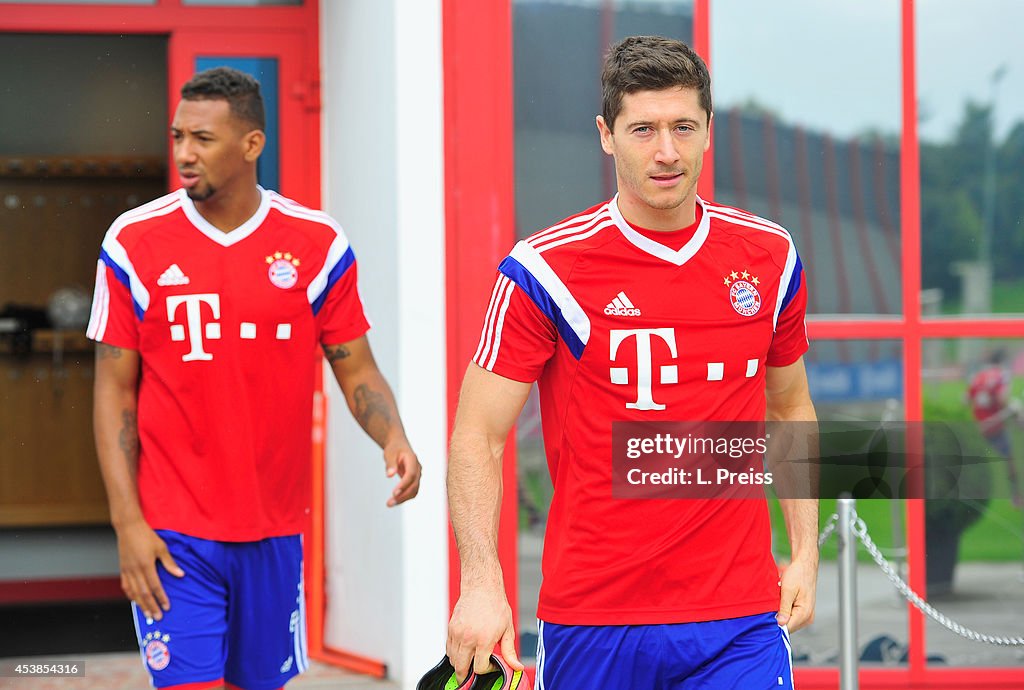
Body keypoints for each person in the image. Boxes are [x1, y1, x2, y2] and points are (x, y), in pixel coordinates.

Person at [445, 36, 818, 689]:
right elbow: (478, 435)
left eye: (683, 127)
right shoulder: (543, 268)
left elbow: (789, 405)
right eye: (643, 129)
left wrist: (806, 550)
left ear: (708, 131)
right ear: (606, 135)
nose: (666, 151)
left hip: (739, 622)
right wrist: (481, 581)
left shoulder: (770, 256)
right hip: (596, 619)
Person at [88, 67, 421, 690]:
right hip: (173, 531)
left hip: (274, 529)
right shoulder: (134, 242)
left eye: (203, 140)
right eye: (178, 136)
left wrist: (393, 438)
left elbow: (356, 367)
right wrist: (127, 522)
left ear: (251, 144)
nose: (184, 154)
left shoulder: (316, 244)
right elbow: (113, 393)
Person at [967, 350, 1022, 508]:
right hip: (994, 425)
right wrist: (1012, 409)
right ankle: (1016, 496)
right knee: (1010, 459)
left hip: (978, 425)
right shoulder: (1000, 375)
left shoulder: (978, 376)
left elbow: (966, 399)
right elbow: (1001, 399)